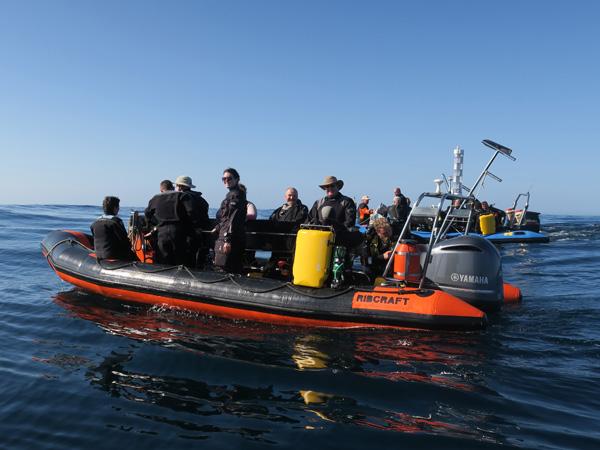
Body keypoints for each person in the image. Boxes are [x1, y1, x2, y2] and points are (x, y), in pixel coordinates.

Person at [145, 180, 204, 266]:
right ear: (172, 187)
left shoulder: (155, 198)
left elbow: (147, 214)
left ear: (161, 190)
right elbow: (191, 212)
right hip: (179, 233)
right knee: (181, 262)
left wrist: (153, 226)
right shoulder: (182, 196)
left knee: (163, 261)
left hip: (162, 233)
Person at [214, 168, 248, 273]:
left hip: (230, 239)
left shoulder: (235, 196)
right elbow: (226, 217)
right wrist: (218, 227)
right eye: (223, 179)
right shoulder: (232, 195)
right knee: (232, 267)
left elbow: (233, 218)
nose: (226, 181)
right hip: (231, 236)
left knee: (226, 267)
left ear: (237, 179)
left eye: (229, 178)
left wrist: (227, 239)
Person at [174, 175, 210, 267]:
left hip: (188, 234)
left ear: (180, 186)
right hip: (202, 234)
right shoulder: (201, 199)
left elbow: (190, 213)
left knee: (186, 262)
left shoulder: (183, 197)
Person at [90, 196, 136, 261]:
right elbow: (124, 241)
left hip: (99, 256)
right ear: (115, 208)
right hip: (114, 257)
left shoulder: (95, 222)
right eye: (118, 207)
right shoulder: (116, 221)